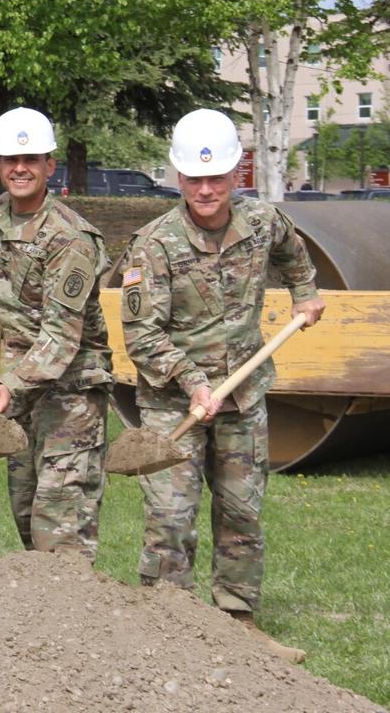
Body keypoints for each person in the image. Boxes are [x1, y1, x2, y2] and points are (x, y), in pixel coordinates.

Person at [121, 108, 324, 663]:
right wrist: (191, 383)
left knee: (241, 511)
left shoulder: (261, 221)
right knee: (170, 514)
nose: (206, 190)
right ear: (178, 178)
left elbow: (291, 250)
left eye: (217, 178)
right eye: (194, 179)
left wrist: (305, 292)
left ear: (237, 173)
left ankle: (239, 623)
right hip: (172, 402)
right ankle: (166, 626)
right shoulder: (153, 245)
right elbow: (141, 335)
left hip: (243, 397)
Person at [0, 107, 113, 561]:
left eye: (31, 159)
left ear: (49, 166)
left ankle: (79, 624)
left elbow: (61, 337)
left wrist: (7, 388)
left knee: (60, 526)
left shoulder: (70, 239)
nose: (20, 169)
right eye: (10, 160)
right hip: (24, 390)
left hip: (71, 394)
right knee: (25, 512)